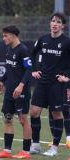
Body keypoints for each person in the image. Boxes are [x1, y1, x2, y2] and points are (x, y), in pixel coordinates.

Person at [29, 12, 70, 156]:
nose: (55, 24)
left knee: (57, 114)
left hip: (56, 84)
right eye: (53, 21)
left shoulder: (67, 42)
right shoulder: (43, 39)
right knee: (34, 112)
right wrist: (34, 70)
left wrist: (67, 77)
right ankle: (35, 145)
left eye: (58, 22)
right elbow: (32, 54)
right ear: (49, 23)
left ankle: (54, 148)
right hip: (42, 82)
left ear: (63, 25)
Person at [0, 25, 32, 159]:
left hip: (21, 91)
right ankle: (7, 151)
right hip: (9, 91)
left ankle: (26, 152)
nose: (3, 38)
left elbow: (28, 70)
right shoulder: (9, 49)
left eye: (5, 35)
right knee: (7, 118)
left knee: (23, 120)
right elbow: (9, 68)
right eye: (3, 35)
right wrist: (2, 81)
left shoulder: (23, 50)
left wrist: (20, 86)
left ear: (14, 35)